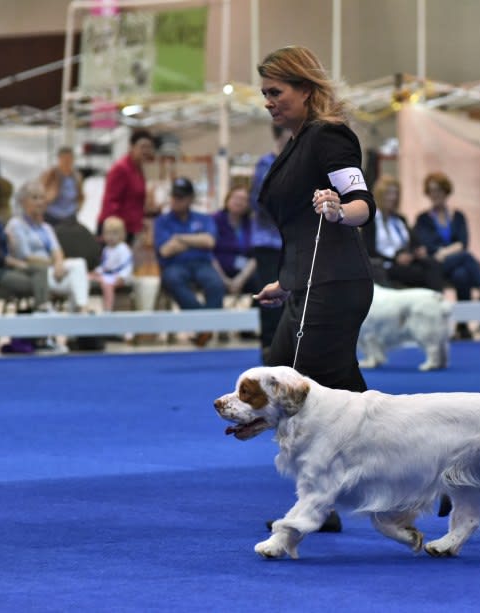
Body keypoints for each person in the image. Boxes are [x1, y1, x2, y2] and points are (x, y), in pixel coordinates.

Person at [251, 45, 377, 532]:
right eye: (264, 93)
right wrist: (286, 282)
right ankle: (436, 478)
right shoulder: (300, 141)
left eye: (276, 91)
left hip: (336, 286)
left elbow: (360, 203)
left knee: (291, 391)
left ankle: (318, 506)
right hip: (310, 286)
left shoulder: (329, 137)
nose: (268, 101)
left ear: (306, 90)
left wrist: (339, 212)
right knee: (350, 401)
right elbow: (303, 228)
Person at [413, 171, 480, 339]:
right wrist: (450, 249)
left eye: (439, 190)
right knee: (467, 257)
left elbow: (464, 242)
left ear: (446, 192)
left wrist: (444, 252)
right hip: (434, 266)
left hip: (451, 263)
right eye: (432, 190)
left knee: (461, 275)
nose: (436, 194)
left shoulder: (458, 215)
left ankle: (463, 325)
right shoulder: (423, 219)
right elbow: (426, 244)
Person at [154, 177, 225, 347]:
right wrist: (195, 240)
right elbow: (165, 250)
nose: (176, 200)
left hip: (202, 264)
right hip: (175, 265)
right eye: (173, 196)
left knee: (216, 283)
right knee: (172, 280)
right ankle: (204, 326)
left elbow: (209, 242)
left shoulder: (204, 218)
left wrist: (179, 238)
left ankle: (203, 328)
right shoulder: (162, 221)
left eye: (181, 197)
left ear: (190, 199)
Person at [6, 179, 90, 313]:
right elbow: (25, 256)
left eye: (42, 198)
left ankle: (81, 311)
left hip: (52, 271)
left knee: (78, 266)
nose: (40, 202)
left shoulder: (46, 228)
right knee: (73, 279)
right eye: (34, 198)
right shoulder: (16, 225)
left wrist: (59, 263)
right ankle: (80, 313)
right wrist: (53, 264)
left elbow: (57, 250)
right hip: (32, 272)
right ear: (23, 202)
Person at [249, 125, 291, 363]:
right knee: (268, 296)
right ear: (278, 137)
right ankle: (268, 346)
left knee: (290, 296)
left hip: (290, 241)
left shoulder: (297, 162)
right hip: (267, 242)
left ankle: (286, 348)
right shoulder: (266, 164)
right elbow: (260, 202)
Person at [362, 174, 445, 292]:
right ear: (380, 195)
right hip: (386, 264)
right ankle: (433, 300)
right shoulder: (371, 220)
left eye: (395, 193)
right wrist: (395, 259)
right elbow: (369, 251)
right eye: (389, 193)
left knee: (433, 264)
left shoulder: (400, 219)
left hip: (407, 260)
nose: (392, 197)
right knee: (422, 274)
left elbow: (413, 242)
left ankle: (437, 299)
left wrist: (416, 251)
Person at [0, 176, 51, 311]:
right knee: (34, 282)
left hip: (4, 268)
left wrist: (8, 240)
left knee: (41, 271)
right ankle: (40, 310)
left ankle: (42, 308)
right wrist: (22, 265)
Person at [97, 129, 157, 243]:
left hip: (130, 228)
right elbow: (110, 202)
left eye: (149, 147)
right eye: (143, 147)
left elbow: (135, 202)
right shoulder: (121, 169)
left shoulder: (138, 169)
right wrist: (113, 231)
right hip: (115, 230)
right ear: (131, 147)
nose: (146, 151)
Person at [212, 185, 261, 303]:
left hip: (243, 272)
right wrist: (225, 280)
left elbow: (255, 256)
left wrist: (240, 279)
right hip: (218, 270)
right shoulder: (214, 220)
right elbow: (209, 254)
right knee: (213, 284)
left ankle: (258, 320)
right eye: (236, 198)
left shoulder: (251, 223)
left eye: (244, 199)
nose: (239, 202)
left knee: (261, 283)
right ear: (227, 199)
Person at [88, 215, 134, 312]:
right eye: (108, 233)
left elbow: (127, 266)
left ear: (122, 234)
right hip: (107, 275)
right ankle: (84, 307)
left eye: (114, 234)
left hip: (119, 277)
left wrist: (122, 276)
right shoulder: (106, 249)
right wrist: (97, 271)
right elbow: (104, 265)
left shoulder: (123, 249)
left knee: (106, 285)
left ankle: (108, 310)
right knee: (86, 277)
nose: (111, 237)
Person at [40, 146, 84, 227]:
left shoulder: (76, 176)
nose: (67, 161)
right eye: (64, 158)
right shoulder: (50, 174)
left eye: (70, 158)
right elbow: (40, 192)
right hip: (52, 215)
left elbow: (80, 195)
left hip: (70, 215)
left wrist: (78, 207)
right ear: (59, 159)